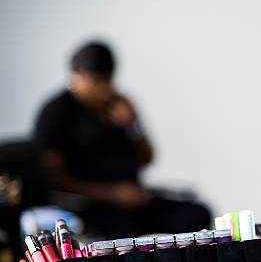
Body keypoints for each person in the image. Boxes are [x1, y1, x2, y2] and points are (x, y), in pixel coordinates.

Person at [33, 41, 211, 238]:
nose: (104, 89)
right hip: (92, 207)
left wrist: (133, 125)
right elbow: (55, 180)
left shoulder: (118, 103)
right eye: (96, 81)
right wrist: (114, 194)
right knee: (124, 233)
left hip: (135, 200)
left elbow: (147, 158)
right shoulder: (56, 112)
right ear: (77, 75)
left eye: (108, 81)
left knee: (197, 214)